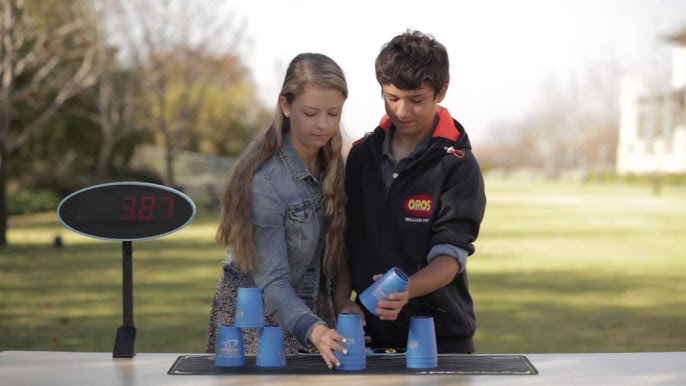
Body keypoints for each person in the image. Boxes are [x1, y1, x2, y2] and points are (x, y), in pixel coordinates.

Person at [206, 52, 361, 369]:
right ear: (286, 105)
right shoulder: (267, 183)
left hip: (312, 314)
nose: (323, 124)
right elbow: (273, 283)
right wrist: (316, 330)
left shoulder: (333, 166)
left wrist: (342, 303)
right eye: (311, 113)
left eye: (334, 113)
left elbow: (339, 248)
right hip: (254, 317)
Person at [343, 30, 487, 353]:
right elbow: (344, 243)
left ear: (441, 91)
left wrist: (406, 289)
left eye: (416, 99)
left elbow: (450, 258)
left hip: (441, 339)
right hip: (367, 339)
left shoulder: (459, 167)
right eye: (392, 98)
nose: (403, 110)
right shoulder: (360, 156)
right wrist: (342, 301)